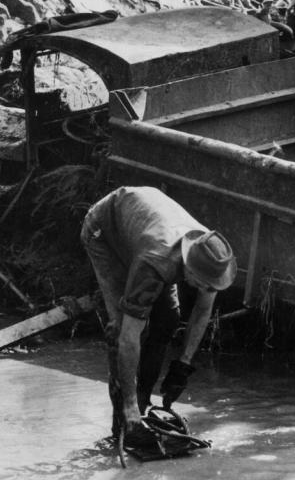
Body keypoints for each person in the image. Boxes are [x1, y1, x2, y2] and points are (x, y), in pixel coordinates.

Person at [81, 186, 237, 442]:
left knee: (168, 319)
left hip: (144, 231)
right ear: (188, 266)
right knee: (121, 328)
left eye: (210, 287)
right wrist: (129, 405)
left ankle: (142, 406)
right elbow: (129, 338)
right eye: (201, 285)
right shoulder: (156, 263)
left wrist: (183, 365)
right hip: (104, 233)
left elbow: (202, 310)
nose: (206, 291)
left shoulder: (211, 259)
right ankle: (125, 420)